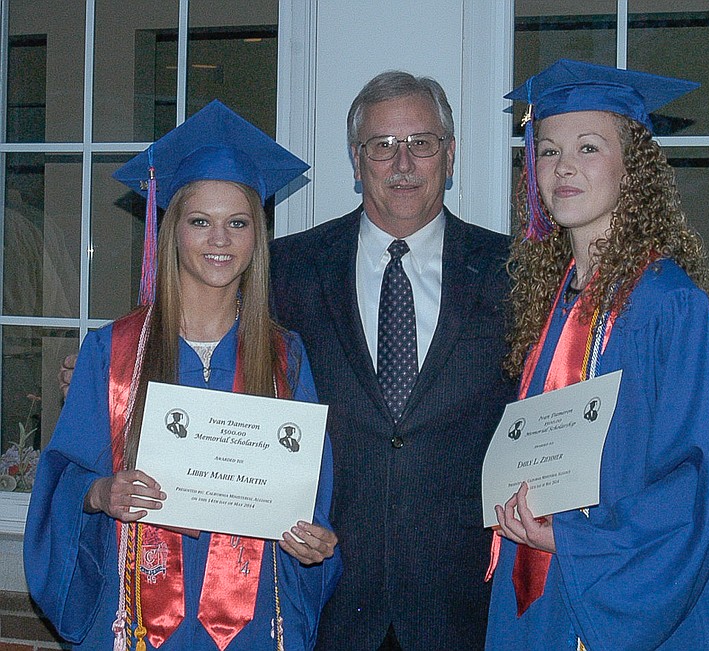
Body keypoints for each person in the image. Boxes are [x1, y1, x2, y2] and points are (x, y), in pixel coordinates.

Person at [24, 100, 342, 651]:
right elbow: (60, 480)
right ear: (171, 231)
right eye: (200, 221)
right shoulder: (112, 352)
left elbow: (310, 497)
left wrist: (313, 544)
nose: (220, 239)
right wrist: (100, 493)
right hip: (132, 620)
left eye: (237, 223)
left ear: (257, 236)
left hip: (250, 624)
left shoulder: (285, 357)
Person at [484, 59, 709, 650]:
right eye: (548, 152)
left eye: (588, 147)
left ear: (634, 170)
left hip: (622, 596)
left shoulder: (668, 305)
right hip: (546, 591)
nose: (564, 167)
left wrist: (577, 540)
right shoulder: (553, 300)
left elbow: (695, 483)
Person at [270, 71, 514, 650]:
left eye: (421, 143)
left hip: (464, 606)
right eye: (382, 147)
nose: (403, 164)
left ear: (448, 155)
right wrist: (120, 377)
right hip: (327, 594)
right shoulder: (288, 270)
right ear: (357, 161)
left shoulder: (513, 272)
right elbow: (213, 354)